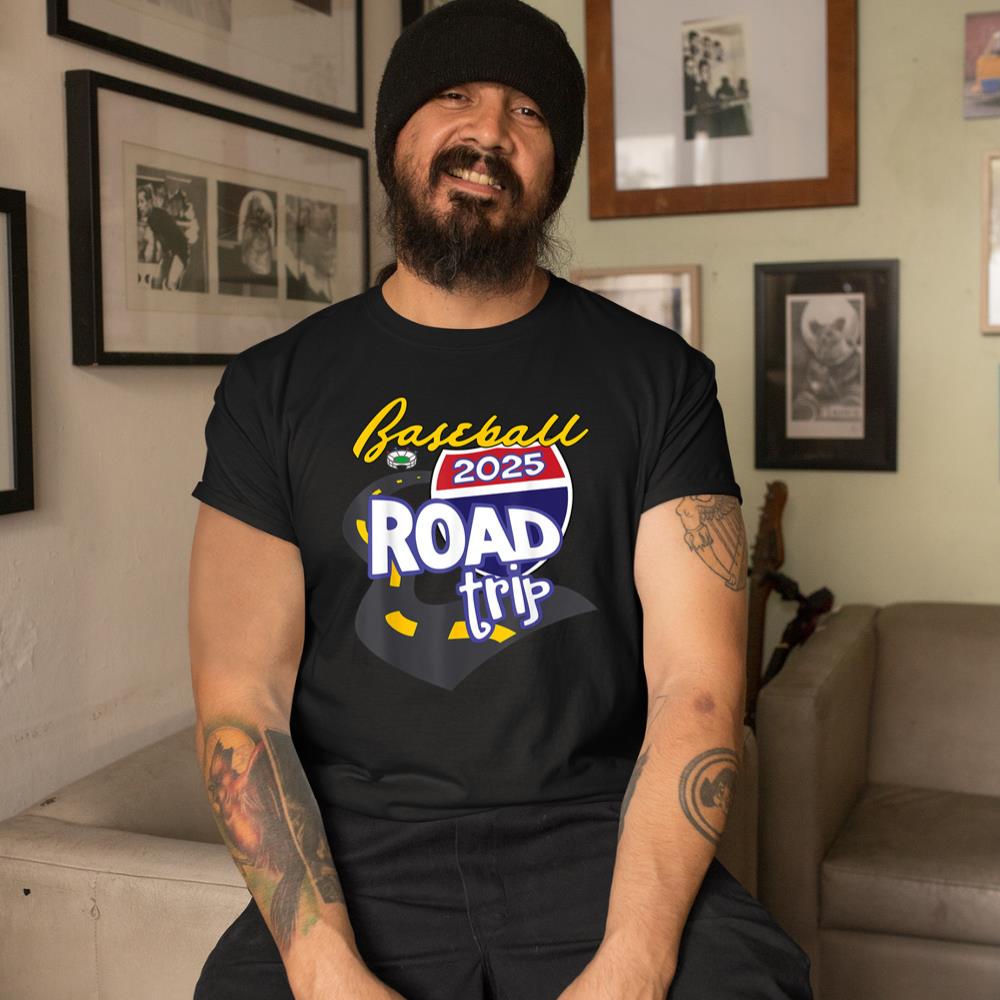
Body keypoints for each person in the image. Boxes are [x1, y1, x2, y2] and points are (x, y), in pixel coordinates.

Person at [188, 2, 814, 999]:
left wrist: (635, 960)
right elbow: (241, 700)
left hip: (598, 837)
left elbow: (696, 686)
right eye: (454, 97)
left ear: (555, 168)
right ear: (395, 137)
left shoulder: (660, 380)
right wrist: (321, 965)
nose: (488, 132)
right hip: (359, 851)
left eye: (528, 111)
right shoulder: (272, 389)